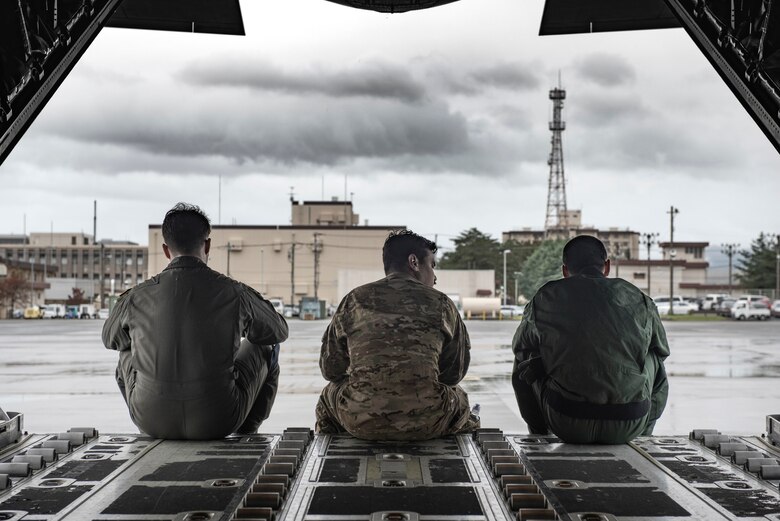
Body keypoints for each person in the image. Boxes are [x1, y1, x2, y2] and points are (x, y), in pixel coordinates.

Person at [102, 203, 288, 439]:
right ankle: (246, 433)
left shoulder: (137, 296)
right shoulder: (233, 292)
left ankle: (154, 420)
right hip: (219, 420)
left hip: (150, 420)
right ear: (207, 245)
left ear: (166, 249)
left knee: (125, 348)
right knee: (267, 346)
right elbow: (278, 331)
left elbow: (109, 339)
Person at [316, 229, 479, 440]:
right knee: (461, 398)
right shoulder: (442, 304)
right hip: (429, 419)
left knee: (328, 396)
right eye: (432, 265)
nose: (434, 276)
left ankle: (326, 454)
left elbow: (331, 369)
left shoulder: (354, 300)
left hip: (360, 421)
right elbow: (453, 375)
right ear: (414, 262)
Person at [512, 235, 669, 444]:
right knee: (654, 358)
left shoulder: (546, 297)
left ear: (565, 270)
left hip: (565, 419)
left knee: (525, 359)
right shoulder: (637, 298)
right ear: (607, 266)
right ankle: (644, 438)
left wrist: (548, 361)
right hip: (630, 420)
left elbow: (521, 348)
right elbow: (661, 349)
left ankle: (539, 435)